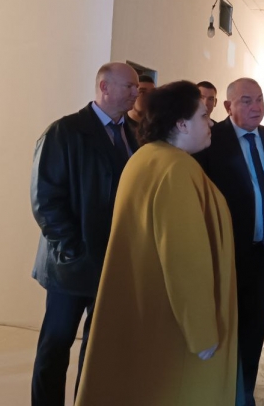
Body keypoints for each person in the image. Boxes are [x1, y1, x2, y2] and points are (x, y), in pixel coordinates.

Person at [75, 81, 238, 406]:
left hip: (146, 312)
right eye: (203, 116)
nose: (210, 122)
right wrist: (201, 331)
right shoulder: (177, 169)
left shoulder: (145, 158)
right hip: (173, 327)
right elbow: (183, 258)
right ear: (181, 124)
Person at [30, 62, 139, 406]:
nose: (136, 93)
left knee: (97, 351)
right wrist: (72, 250)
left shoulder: (133, 134)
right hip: (70, 265)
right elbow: (45, 200)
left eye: (136, 87)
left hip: (112, 262)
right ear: (104, 87)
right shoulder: (64, 132)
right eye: (129, 86)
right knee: (55, 346)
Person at [195, 78, 264, 406]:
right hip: (225, 253)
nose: (256, 107)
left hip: (262, 251)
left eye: (260, 99)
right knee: (226, 325)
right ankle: (221, 390)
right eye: (247, 101)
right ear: (228, 106)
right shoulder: (212, 140)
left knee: (255, 326)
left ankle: (246, 390)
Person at [125, 74, 155, 139]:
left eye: (152, 93)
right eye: (142, 92)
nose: (149, 97)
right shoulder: (121, 127)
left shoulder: (156, 127)